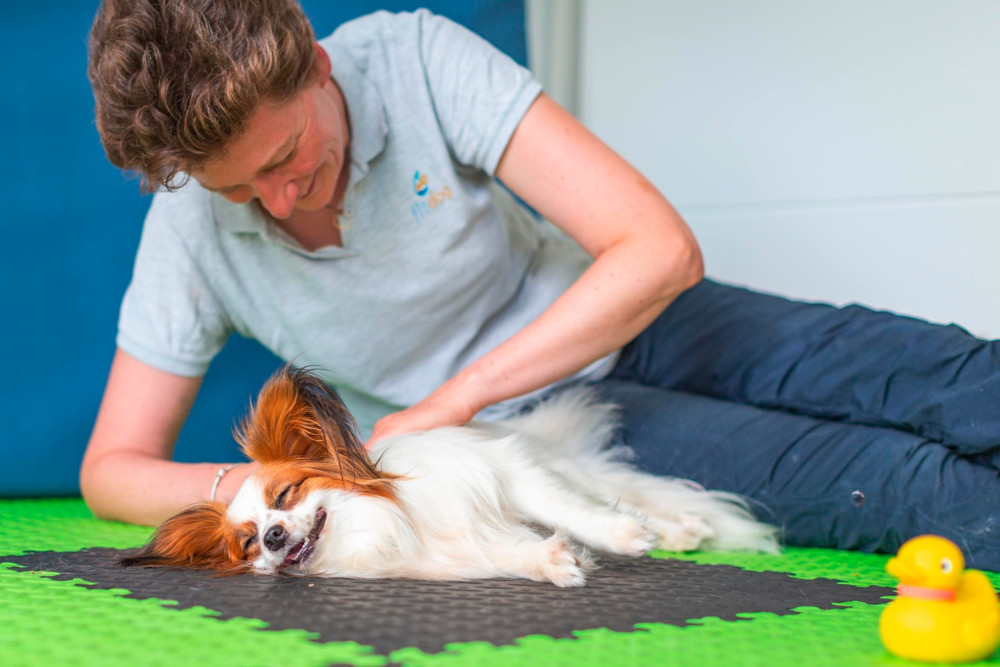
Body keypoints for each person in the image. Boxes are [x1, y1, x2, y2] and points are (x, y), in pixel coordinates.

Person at [81, 0, 1000, 570]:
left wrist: (461, 393)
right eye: (242, 187)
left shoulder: (414, 58)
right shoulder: (191, 229)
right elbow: (110, 469)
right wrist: (270, 488)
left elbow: (659, 249)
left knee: (937, 372)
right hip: (539, 436)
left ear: (318, 64)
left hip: (629, 315)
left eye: (287, 156)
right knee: (898, 482)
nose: (277, 198)